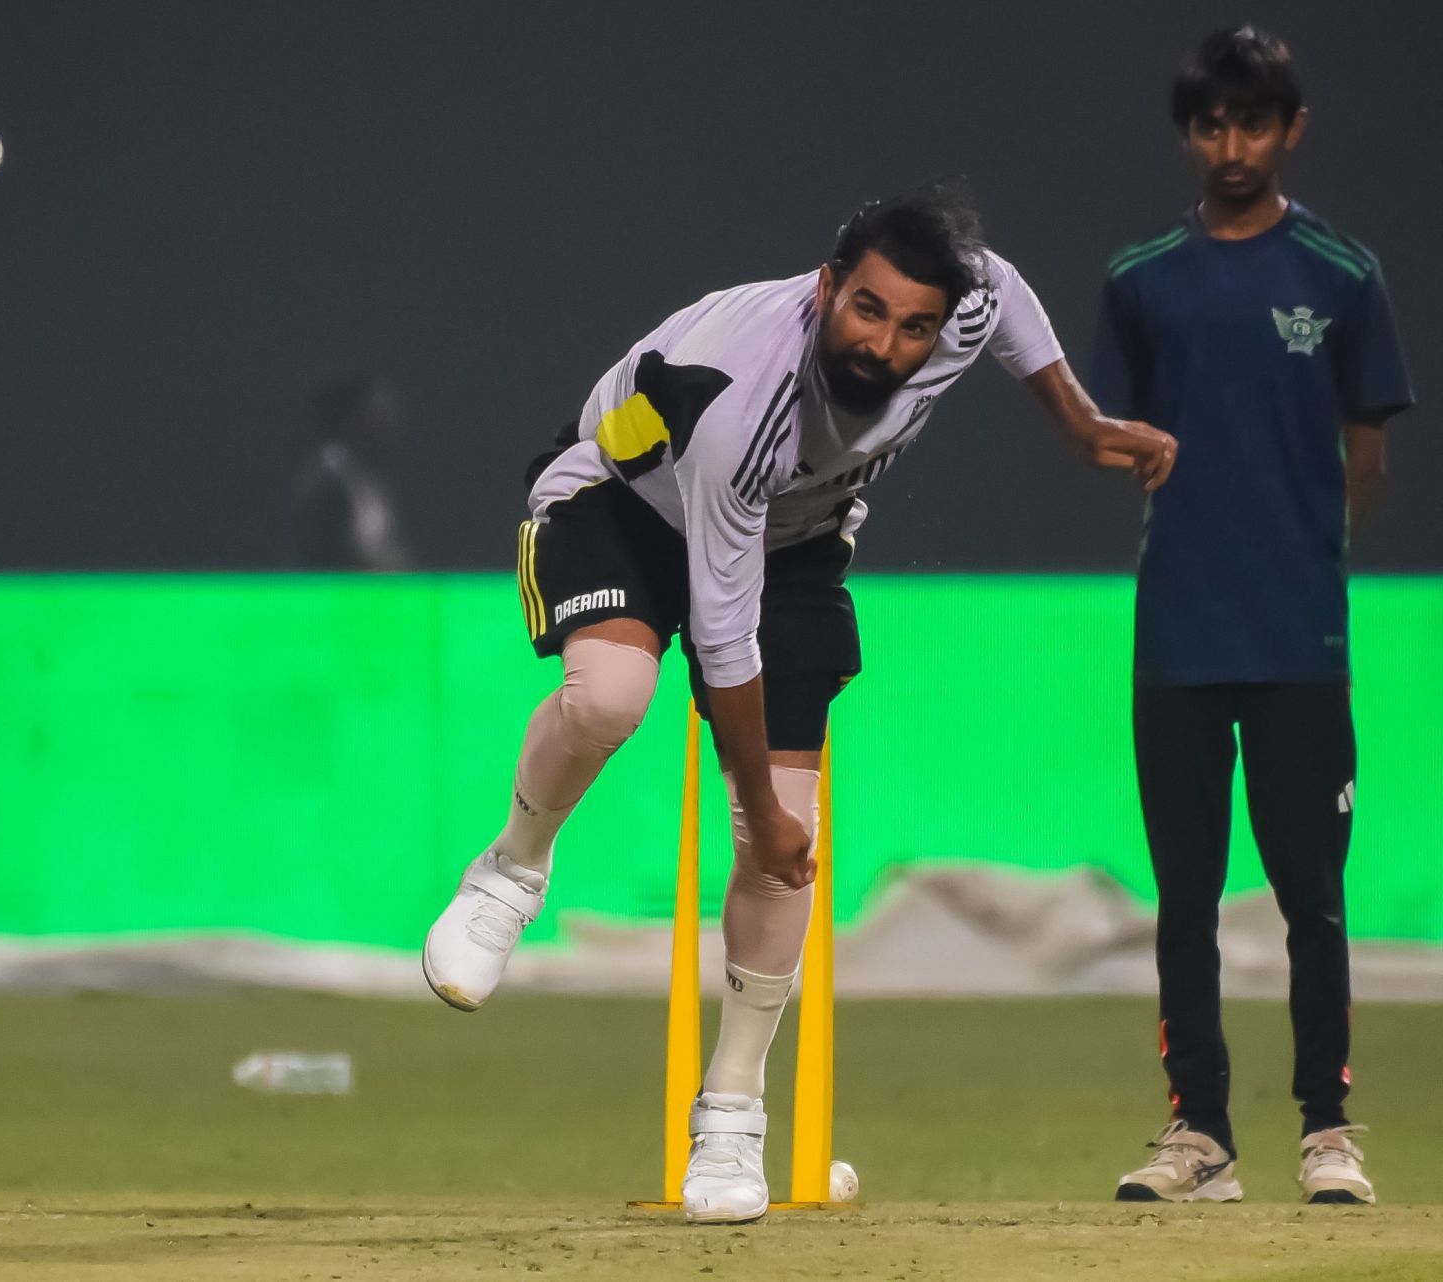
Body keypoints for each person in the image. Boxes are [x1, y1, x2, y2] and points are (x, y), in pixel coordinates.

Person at [422, 184, 1176, 1224]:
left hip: (794, 538)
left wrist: (1078, 419)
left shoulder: (956, 303)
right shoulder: (747, 398)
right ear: (826, 289)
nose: (886, 345)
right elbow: (722, 636)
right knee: (613, 697)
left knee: (788, 834)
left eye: (913, 326)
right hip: (620, 501)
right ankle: (510, 869)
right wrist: (760, 808)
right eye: (866, 310)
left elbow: (999, 292)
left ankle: (731, 1108)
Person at [1091, 27, 1414, 1206]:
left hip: (1297, 642)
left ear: (1292, 130)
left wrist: (1302, 564)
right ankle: (1201, 1137)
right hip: (1176, 635)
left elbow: (1365, 456)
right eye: (1212, 124)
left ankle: (1328, 1132)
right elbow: (1111, 438)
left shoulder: (1341, 273)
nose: (1233, 146)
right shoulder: (1141, 280)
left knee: (1310, 898)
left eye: (1255, 123)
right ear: (1190, 132)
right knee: (1183, 894)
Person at [285, 374, 413, 571]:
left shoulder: (375, 484)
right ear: (353, 420)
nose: (389, 424)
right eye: (378, 415)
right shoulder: (321, 488)